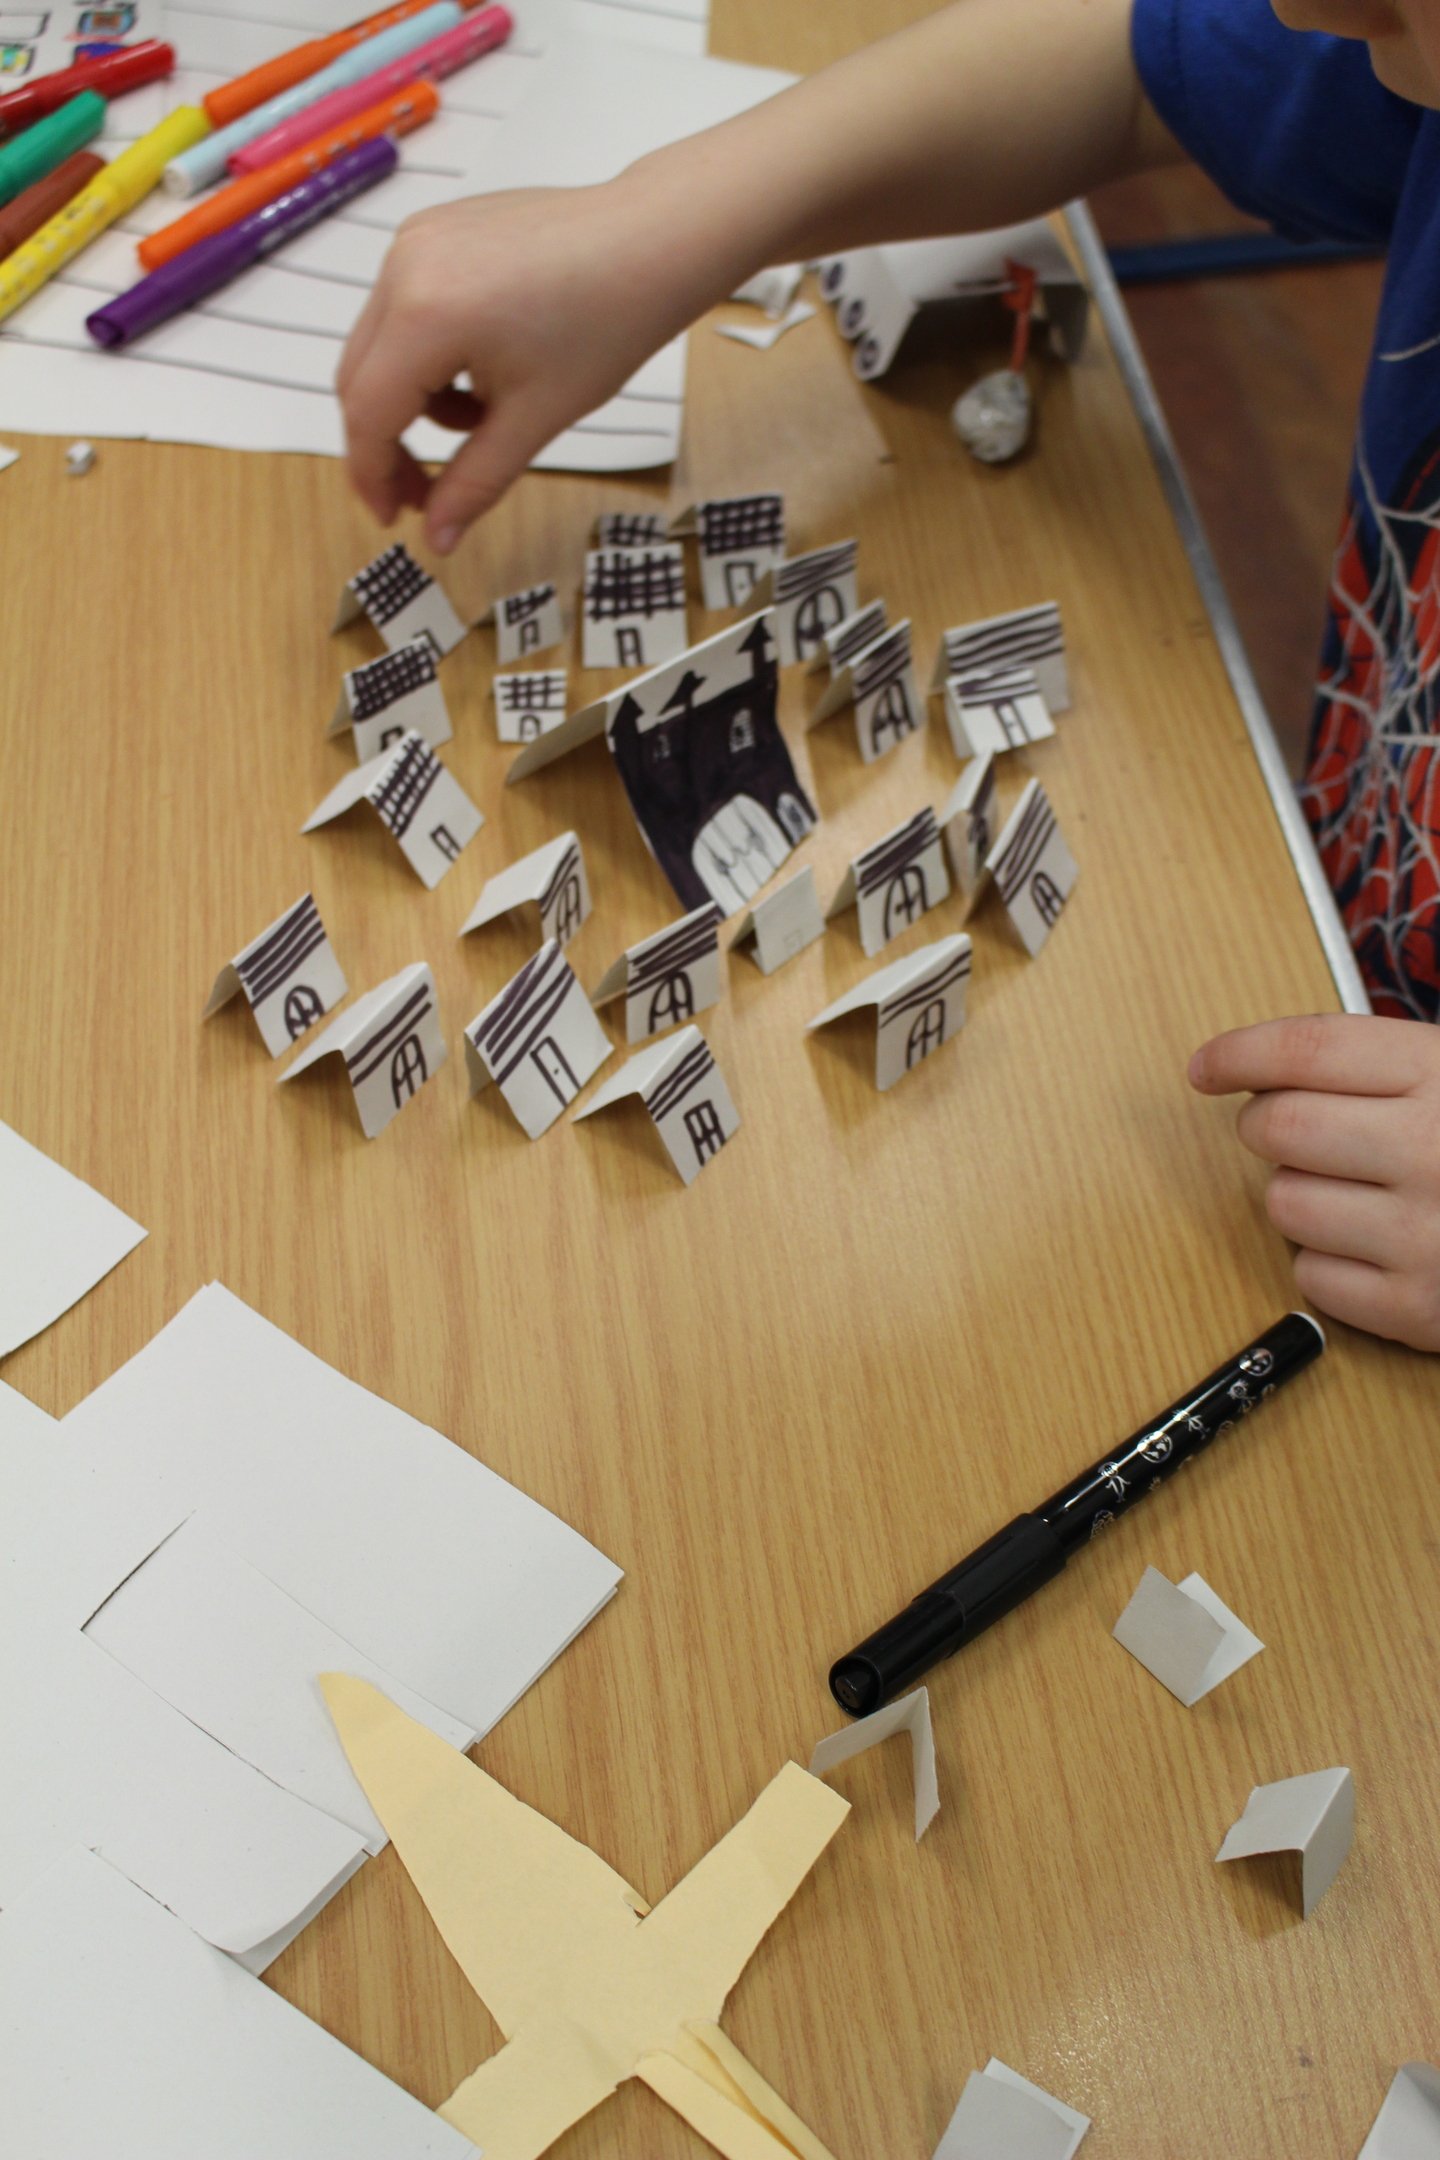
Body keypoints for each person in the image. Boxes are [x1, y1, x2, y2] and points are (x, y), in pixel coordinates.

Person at [337, 0, 1440, 1351]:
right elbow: (1131, 64)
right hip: (1331, 962)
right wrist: (661, 218)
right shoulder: (1405, 57)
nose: (1305, 2)